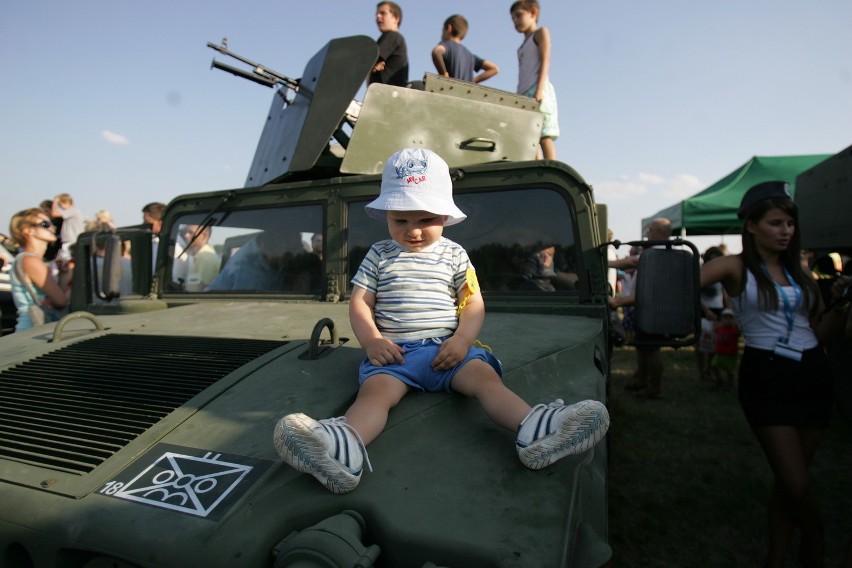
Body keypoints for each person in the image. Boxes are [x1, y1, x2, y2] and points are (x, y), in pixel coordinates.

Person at [273, 147, 610, 494]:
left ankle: (537, 431)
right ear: (386, 214)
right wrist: (372, 341)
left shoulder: (454, 254)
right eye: (400, 220)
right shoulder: (378, 255)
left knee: (487, 383)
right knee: (374, 397)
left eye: (425, 219)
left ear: (445, 216)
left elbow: (473, 303)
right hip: (395, 355)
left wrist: (463, 340)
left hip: (449, 351)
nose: (413, 231)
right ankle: (343, 450)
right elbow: (360, 301)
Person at [700, 180, 851, 568]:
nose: (786, 231)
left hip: (814, 374)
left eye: (790, 224)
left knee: (789, 485)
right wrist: (622, 296)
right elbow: (677, 281)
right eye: (776, 222)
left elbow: (820, 332)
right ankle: (815, 541)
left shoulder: (802, 275)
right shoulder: (735, 265)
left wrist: (840, 307)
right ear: (751, 225)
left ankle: (776, 559)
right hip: (767, 376)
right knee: (797, 483)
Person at [510, 0, 559, 160]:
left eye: (518, 15)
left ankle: (552, 170)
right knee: (530, 138)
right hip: (523, 93)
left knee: (543, 135)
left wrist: (539, 90)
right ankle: (537, 172)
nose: (515, 21)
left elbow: (546, 60)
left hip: (538, 89)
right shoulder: (521, 47)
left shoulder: (540, 33)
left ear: (533, 12)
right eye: (513, 18)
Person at [8, 208, 72, 331]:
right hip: (31, 331)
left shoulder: (28, 259)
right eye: (45, 224)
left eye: (51, 223)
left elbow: (56, 297)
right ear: (28, 231)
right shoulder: (30, 260)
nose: (52, 227)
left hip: (35, 328)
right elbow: (61, 301)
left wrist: (65, 275)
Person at [431, 14, 499, 84]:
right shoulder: (470, 56)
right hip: (464, 93)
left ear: (449, 28)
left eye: (442, 30)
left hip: (449, 90)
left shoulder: (447, 45)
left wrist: (444, 75)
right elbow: (494, 69)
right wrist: (474, 80)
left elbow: (436, 52)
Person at [696, 246, 727, 381]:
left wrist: (727, 310)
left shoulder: (724, 273)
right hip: (703, 311)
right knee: (700, 344)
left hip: (719, 310)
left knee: (714, 344)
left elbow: (725, 293)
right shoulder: (702, 273)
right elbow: (695, 293)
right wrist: (706, 311)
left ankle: (710, 369)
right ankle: (702, 371)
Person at [368, 2, 408, 87]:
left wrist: (373, 64)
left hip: (386, 95)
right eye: (377, 14)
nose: (378, 16)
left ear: (396, 18)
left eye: (383, 13)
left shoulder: (392, 36)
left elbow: (369, 60)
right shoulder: (389, 38)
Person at [176, 225, 220, 292]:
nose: (186, 235)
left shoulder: (205, 257)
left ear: (204, 236)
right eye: (186, 232)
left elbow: (202, 289)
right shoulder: (201, 255)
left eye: (191, 233)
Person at [50, 193, 86, 261]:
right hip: (70, 241)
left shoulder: (72, 210)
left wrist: (55, 202)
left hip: (71, 241)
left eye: (60, 205)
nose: (60, 207)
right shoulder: (74, 211)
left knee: (68, 261)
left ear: (65, 202)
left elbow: (54, 213)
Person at [710, 308, 739, 389]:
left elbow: (739, 332)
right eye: (725, 318)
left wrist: (736, 324)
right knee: (714, 365)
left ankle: (731, 384)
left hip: (730, 354)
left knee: (730, 371)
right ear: (722, 319)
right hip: (719, 353)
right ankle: (719, 380)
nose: (728, 320)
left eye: (730, 318)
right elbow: (714, 329)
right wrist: (714, 320)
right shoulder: (720, 328)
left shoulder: (734, 330)